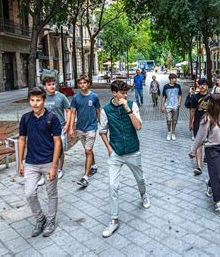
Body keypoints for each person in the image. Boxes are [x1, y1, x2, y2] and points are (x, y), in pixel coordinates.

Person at [99, 80, 150, 238]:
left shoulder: (132, 105)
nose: (125, 95)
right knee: (112, 185)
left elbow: (138, 126)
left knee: (140, 179)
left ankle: (143, 194)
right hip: (116, 153)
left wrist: (128, 109)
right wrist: (109, 149)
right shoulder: (105, 110)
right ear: (114, 93)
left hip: (133, 150)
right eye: (122, 92)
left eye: (126, 92)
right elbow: (102, 131)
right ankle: (114, 220)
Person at [17, 87, 62, 237]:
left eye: (38, 100)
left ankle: (50, 221)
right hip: (31, 162)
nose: (35, 104)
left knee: (51, 193)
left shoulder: (51, 118)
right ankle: (40, 218)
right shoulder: (25, 118)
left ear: (44, 101)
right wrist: (20, 162)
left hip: (48, 162)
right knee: (29, 193)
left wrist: (55, 166)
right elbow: (22, 139)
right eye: (32, 100)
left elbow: (57, 142)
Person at [190, 93, 220, 220]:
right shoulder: (207, 118)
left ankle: (210, 184)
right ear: (217, 103)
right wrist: (193, 151)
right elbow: (200, 136)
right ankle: (219, 204)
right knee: (218, 176)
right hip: (211, 149)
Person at [69, 76, 101, 188]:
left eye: (84, 83)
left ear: (88, 84)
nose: (82, 85)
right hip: (80, 129)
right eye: (80, 83)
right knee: (88, 150)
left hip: (91, 127)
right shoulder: (75, 98)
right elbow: (72, 113)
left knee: (87, 151)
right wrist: (71, 128)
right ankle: (94, 166)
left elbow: (98, 110)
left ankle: (85, 177)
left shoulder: (94, 96)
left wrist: (101, 124)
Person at [41, 76, 71, 185]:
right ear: (45, 87)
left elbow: (69, 110)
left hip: (60, 127)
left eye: (53, 84)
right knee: (46, 150)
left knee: (60, 150)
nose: (52, 86)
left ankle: (59, 169)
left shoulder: (61, 97)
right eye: (49, 84)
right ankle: (45, 172)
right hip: (45, 128)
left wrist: (68, 124)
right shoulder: (42, 97)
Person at [189, 78, 210, 175]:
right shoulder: (194, 97)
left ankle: (207, 157)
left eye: (204, 84)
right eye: (200, 85)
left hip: (210, 123)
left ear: (207, 86)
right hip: (198, 122)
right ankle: (199, 166)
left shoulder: (212, 97)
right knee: (199, 144)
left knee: (209, 143)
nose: (202, 86)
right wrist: (191, 122)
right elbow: (192, 111)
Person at [161, 73, 182, 141]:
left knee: (175, 121)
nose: (176, 79)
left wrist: (179, 102)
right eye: (175, 78)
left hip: (176, 106)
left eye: (176, 78)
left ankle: (173, 133)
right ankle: (169, 132)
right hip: (168, 106)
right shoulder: (166, 86)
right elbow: (164, 97)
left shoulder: (178, 86)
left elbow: (180, 95)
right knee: (169, 120)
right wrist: (162, 106)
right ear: (171, 79)